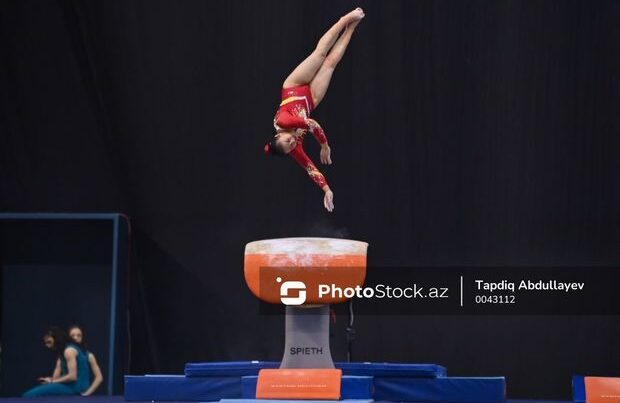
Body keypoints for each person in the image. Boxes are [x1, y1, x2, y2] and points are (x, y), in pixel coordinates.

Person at [264, 8, 365, 212]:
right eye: (291, 147)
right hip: (310, 99)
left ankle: (345, 19)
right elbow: (310, 169)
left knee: (320, 54)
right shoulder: (292, 148)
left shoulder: (284, 122)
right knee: (330, 64)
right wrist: (327, 190)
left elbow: (311, 124)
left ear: (279, 135)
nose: (293, 142)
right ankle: (351, 28)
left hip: (294, 86)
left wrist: (324, 146)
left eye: (288, 141)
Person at [22, 327, 90, 398]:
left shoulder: (68, 351)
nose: (47, 346)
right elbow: (56, 377)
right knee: (34, 393)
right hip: (71, 386)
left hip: (76, 388)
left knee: (28, 395)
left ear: (57, 339)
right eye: (46, 343)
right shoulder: (62, 353)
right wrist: (50, 380)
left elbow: (72, 376)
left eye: (49, 342)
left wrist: (52, 381)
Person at [68, 324, 104, 396]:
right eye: (72, 335)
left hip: (81, 394)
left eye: (79, 335)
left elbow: (99, 377)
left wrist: (87, 394)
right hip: (66, 393)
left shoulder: (89, 356)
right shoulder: (63, 355)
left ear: (82, 337)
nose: (75, 338)